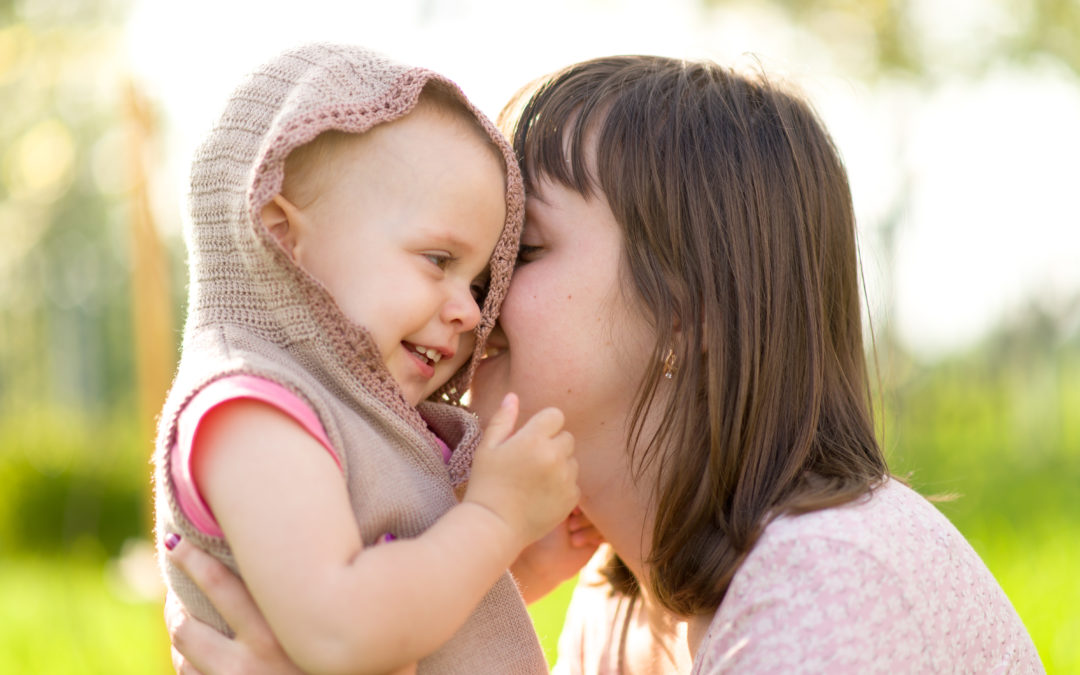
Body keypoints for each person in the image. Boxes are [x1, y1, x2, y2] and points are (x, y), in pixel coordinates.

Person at [163, 54, 1043, 673]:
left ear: (688, 304)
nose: (476, 305)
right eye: (459, 260)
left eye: (522, 251)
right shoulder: (619, 605)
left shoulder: (831, 586)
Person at [153, 43, 582, 675]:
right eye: (439, 261)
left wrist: (517, 562)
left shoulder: (352, 414)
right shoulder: (250, 411)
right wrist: (494, 519)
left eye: (479, 284)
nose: (469, 311)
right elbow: (343, 632)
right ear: (281, 239)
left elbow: (411, 608)